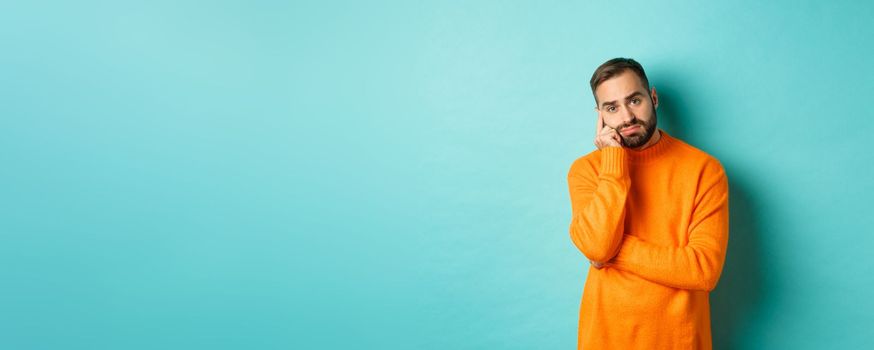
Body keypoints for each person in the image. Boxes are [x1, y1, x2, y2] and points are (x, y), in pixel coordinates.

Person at [566, 57, 730, 349]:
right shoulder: (587, 170)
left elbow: (703, 270)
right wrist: (613, 162)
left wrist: (613, 251)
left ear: (652, 98)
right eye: (612, 107)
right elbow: (597, 246)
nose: (626, 117)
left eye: (635, 100)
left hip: (679, 341)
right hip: (606, 339)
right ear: (600, 115)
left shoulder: (704, 170)